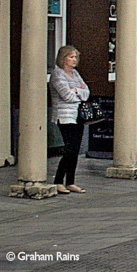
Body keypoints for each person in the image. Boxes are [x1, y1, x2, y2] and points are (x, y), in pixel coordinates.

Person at [49, 46, 90, 195]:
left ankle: (71, 181)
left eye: (75, 57)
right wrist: (77, 91)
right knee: (69, 149)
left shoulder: (75, 74)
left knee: (75, 150)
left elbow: (86, 93)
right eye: (71, 57)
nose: (74, 60)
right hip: (65, 116)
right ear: (63, 58)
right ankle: (58, 181)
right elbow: (66, 95)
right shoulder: (57, 75)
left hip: (78, 116)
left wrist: (77, 91)